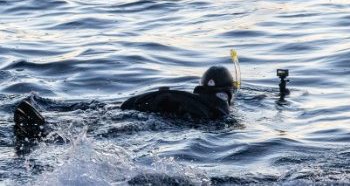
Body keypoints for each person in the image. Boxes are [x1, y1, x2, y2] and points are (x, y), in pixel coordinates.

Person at [13, 65, 237, 143]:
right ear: (227, 92)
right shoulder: (217, 113)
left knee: (99, 124)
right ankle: (48, 134)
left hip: (135, 111)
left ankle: (46, 130)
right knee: (104, 130)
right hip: (152, 125)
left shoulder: (187, 99)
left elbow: (152, 99)